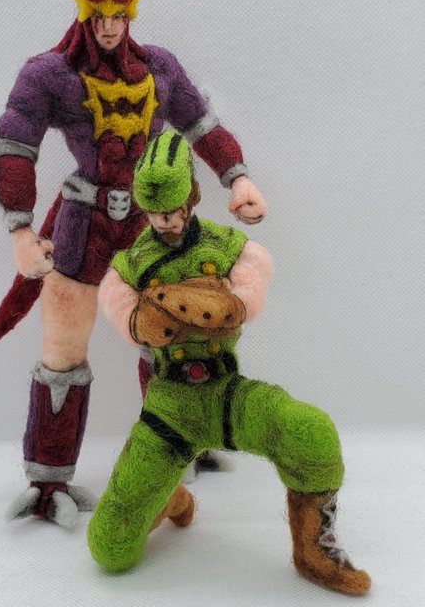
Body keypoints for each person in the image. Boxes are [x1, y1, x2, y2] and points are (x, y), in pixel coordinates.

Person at [0, 0, 267, 527]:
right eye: (100, 15)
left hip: (151, 225)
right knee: (63, 350)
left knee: (170, 332)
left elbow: (201, 124)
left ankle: (181, 441)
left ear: (130, 13)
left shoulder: (159, 68)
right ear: (85, 14)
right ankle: (49, 480)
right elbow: (16, 147)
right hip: (81, 223)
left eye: (120, 15)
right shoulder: (50, 73)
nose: (111, 26)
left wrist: (237, 177)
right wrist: (20, 230)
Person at [88, 131, 371, 596]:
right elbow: (129, 321)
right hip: (169, 408)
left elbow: (247, 298)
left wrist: (223, 304)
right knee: (109, 550)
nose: (164, 220)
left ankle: (314, 552)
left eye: (173, 208)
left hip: (226, 395)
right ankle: (169, 496)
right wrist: (153, 315)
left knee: (311, 431)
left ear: (191, 198)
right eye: (154, 211)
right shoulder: (128, 265)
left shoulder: (229, 247)